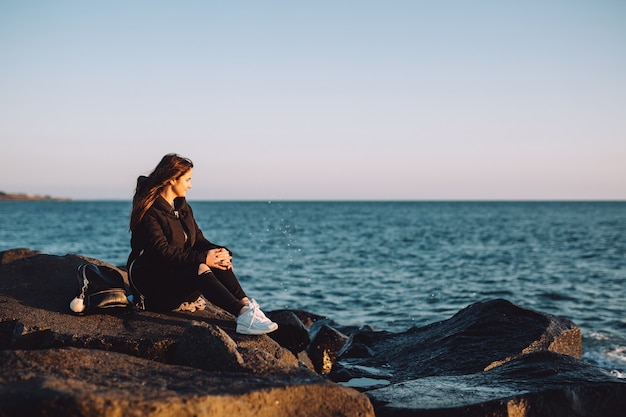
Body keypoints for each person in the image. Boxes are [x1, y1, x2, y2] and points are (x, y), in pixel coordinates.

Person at [127, 153, 278, 335]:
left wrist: (221, 253)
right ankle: (242, 314)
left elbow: (198, 241)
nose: (190, 185)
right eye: (187, 180)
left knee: (216, 259)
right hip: (152, 286)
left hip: (175, 277)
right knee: (200, 266)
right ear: (172, 180)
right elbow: (161, 252)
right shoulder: (149, 212)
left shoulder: (182, 209)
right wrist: (205, 257)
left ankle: (247, 306)